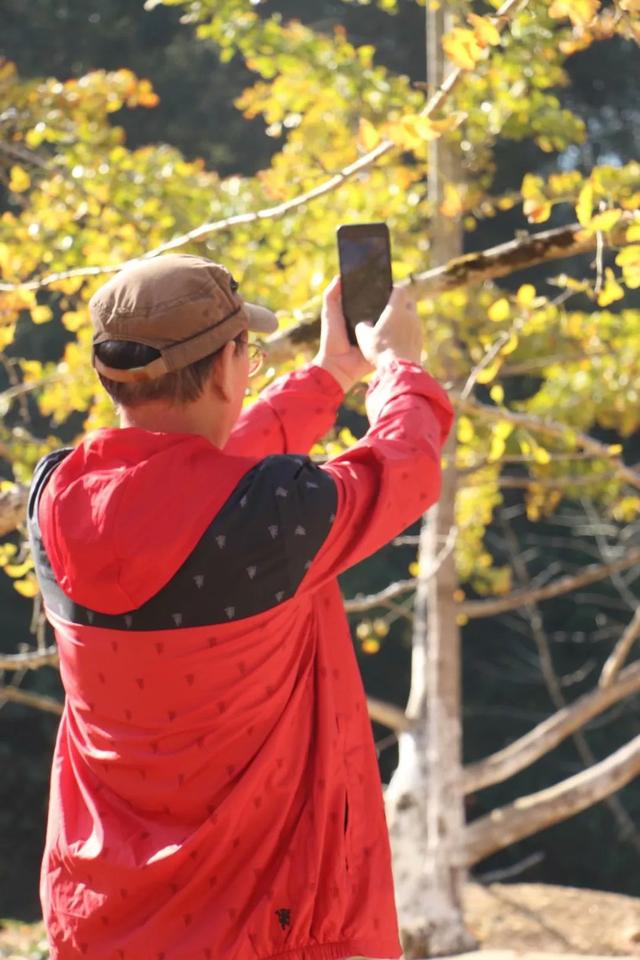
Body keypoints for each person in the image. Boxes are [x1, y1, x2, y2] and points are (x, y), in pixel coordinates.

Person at [28, 253, 453, 960]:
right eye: (246, 355)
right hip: (265, 926)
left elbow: (192, 483)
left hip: (105, 919)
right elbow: (402, 465)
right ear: (228, 368)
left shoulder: (54, 499)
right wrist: (397, 368)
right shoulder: (270, 518)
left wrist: (328, 376)